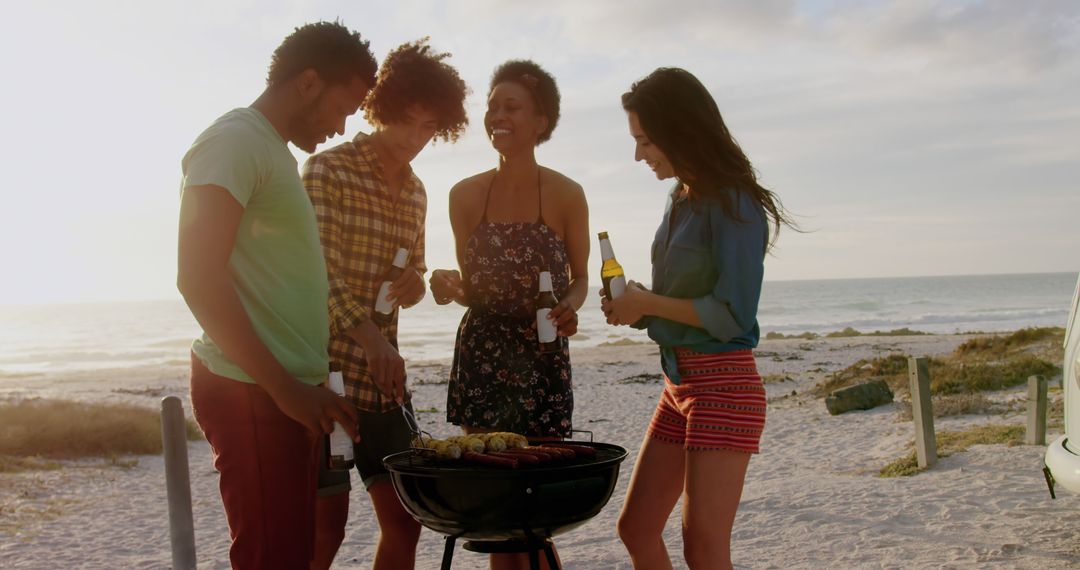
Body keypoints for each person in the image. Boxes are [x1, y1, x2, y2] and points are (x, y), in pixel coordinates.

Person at [176, 21, 376, 569]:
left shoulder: (272, 152)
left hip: (280, 392)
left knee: (291, 551)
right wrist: (284, 387)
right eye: (345, 106)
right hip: (252, 391)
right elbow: (196, 275)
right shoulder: (234, 139)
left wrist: (306, 384)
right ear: (309, 82)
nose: (342, 126)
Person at [602, 67, 795, 570]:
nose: (639, 154)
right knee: (637, 527)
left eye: (645, 141)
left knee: (704, 549)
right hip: (678, 383)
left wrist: (649, 303)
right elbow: (679, 302)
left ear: (678, 130)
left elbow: (732, 316)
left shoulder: (734, 201)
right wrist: (636, 307)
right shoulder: (679, 198)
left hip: (725, 385)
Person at [302, 38, 469, 570]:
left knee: (405, 522)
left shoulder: (418, 192)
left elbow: (411, 271)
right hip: (324, 379)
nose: (414, 139)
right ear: (380, 108)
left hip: (384, 385)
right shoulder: (327, 172)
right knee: (324, 532)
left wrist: (418, 283)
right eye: (406, 122)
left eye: (428, 128)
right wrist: (371, 340)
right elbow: (316, 279)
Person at [428, 59, 589, 570]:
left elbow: (582, 278)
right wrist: (447, 286)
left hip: (541, 359)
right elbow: (470, 287)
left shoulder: (566, 194)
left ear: (541, 121)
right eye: (493, 106)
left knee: (536, 508)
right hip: (483, 358)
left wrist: (570, 306)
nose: (498, 115)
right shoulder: (463, 195)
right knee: (497, 511)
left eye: (511, 106)